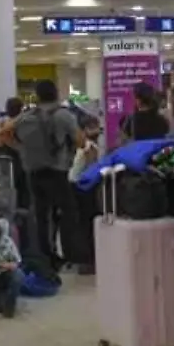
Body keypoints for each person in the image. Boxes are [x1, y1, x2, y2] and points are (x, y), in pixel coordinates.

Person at [13, 79, 83, 269]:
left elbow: (4, 133)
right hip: (57, 171)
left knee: (42, 215)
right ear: (56, 93)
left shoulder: (26, 116)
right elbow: (80, 141)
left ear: (38, 95)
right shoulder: (64, 115)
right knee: (68, 213)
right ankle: (71, 254)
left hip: (34, 172)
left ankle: (46, 256)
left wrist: (21, 149)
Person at [69, 116, 103, 275]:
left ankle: (89, 260)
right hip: (79, 187)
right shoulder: (84, 147)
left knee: (85, 223)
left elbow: (91, 168)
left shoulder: (90, 147)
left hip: (83, 188)